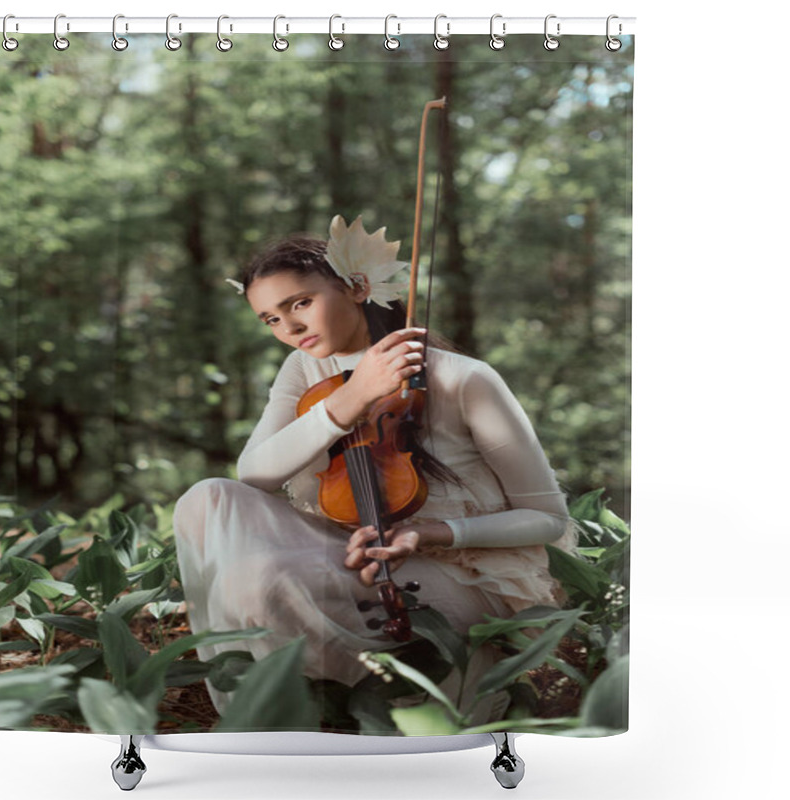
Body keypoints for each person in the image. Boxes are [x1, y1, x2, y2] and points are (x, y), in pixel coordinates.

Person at [172, 215, 577, 727]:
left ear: (357, 286)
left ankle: (383, 693)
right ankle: (292, 702)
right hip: (353, 547)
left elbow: (547, 518)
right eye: (271, 319)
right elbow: (254, 475)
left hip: (463, 567)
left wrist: (429, 531)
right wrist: (354, 397)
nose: (290, 328)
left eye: (300, 303)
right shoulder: (304, 368)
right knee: (208, 499)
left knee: (267, 579)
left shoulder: (463, 379)